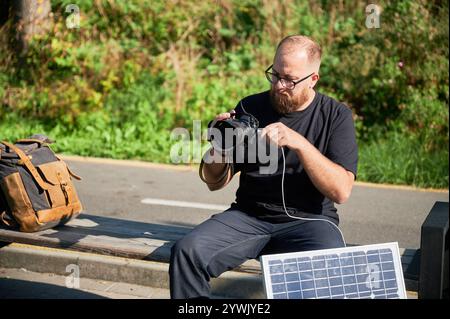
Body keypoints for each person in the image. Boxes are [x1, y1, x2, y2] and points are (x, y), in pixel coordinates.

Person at [169, 35, 358, 299]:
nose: (279, 85)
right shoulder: (250, 107)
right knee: (187, 252)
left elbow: (341, 191)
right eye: (275, 74)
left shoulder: (336, 116)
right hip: (249, 217)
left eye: (290, 80)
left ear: (313, 78)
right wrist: (220, 147)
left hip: (310, 222)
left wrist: (300, 144)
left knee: (330, 267)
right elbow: (214, 182)